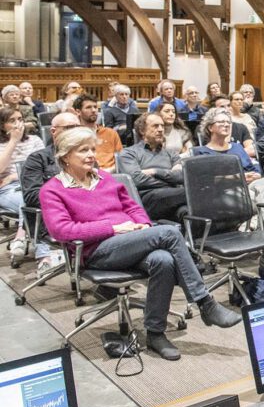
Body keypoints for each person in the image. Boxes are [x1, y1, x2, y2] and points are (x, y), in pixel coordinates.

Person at [40, 127, 242, 361]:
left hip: (131, 241)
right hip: (97, 251)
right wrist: (113, 228)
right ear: (65, 156)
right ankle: (204, 302)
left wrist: (143, 226)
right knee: (169, 232)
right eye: (83, 150)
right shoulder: (52, 190)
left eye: (92, 149)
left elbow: (133, 207)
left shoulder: (105, 178)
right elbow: (62, 231)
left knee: (163, 260)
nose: (91, 155)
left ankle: (155, 334)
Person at [20, 112, 81, 272]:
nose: (74, 132)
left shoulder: (86, 157)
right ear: (53, 131)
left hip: (87, 216)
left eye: (77, 127)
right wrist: (70, 197)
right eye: (68, 128)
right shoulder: (37, 159)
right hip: (53, 218)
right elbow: (32, 196)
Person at [118, 113, 189, 223]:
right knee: (193, 192)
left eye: (162, 126)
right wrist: (170, 178)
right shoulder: (129, 153)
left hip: (174, 197)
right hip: (148, 200)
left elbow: (181, 176)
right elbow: (136, 180)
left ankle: (192, 239)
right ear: (142, 131)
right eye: (155, 126)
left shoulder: (171, 154)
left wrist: (155, 172)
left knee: (185, 211)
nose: (161, 129)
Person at [0, 106, 47, 264]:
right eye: (11, 121)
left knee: (34, 197)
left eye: (20, 119)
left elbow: (45, 166)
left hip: (33, 184)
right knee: (27, 199)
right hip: (7, 190)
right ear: (2, 125)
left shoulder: (35, 140)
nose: (17, 124)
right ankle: (42, 255)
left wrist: (15, 175)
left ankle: (21, 237)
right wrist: (13, 140)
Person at [192, 107, 264, 199]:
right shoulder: (201, 152)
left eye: (228, 122)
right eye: (221, 122)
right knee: (253, 195)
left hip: (247, 186)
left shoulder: (237, 147)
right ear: (210, 127)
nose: (226, 124)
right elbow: (206, 180)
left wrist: (256, 174)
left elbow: (252, 167)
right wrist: (237, 177)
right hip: (221, 191)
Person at [72, 94, 122, 172]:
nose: (93, 110)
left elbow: (121, 159)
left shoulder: (111, 133)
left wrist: (110, 170)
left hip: (111, 174)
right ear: (78, 112)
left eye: (95, 107)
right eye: (88, 107)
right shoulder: (73, 135)